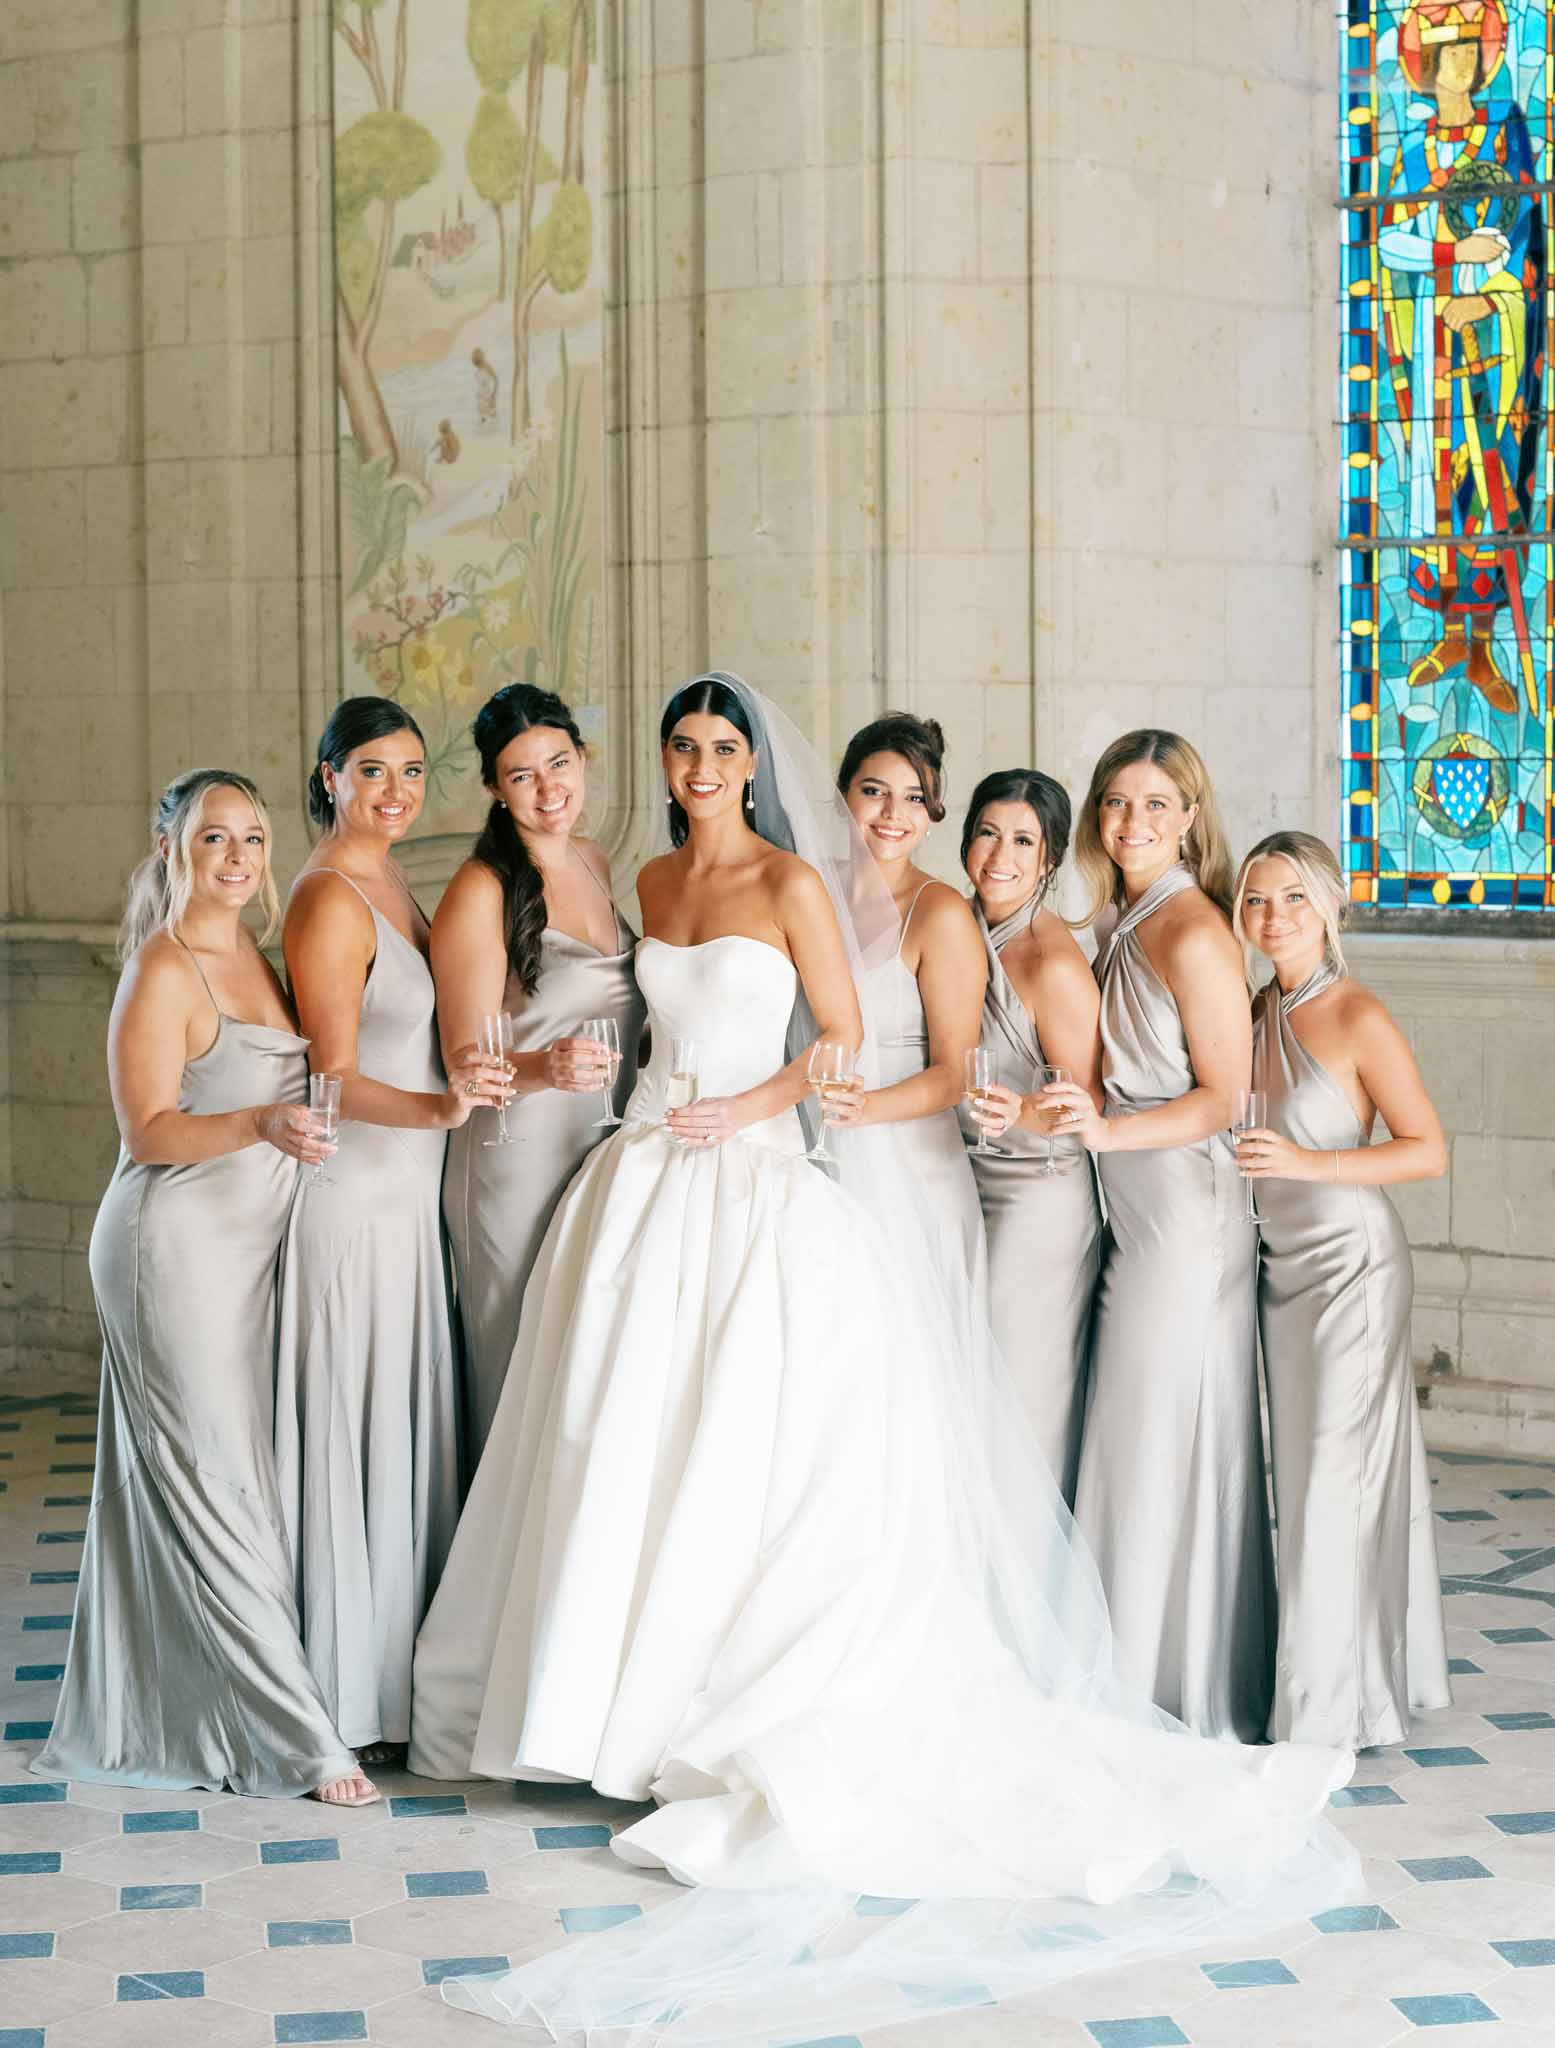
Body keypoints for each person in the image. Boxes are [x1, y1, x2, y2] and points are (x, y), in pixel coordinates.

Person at [412, 675, 1354, 2046]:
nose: (701, 766)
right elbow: (628, 1030)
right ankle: (590, 1704)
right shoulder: (646, 881)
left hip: (750, 1165)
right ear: (661, 764)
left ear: (752, 765)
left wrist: (741, 1106)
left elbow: (837, 1044)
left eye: (723, 748)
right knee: (618, 1436)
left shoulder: (795, 880)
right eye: (681, 747)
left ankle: (707, 1709)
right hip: (642, 1178)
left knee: (746, 1444)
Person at [36, 772, 372, 1806]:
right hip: (169, 1248)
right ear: (172, 847)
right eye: (213, 836)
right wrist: (261, 1124)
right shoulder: (163, 967)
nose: (237, 855)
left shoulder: (259, 960)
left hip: (246, 1252)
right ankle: (304, 1741)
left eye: (253, 837)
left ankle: (178, 1704)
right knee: (213, 1480)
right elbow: (147, 1132)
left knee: (228, 1478)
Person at [275, 697, 506, 1766]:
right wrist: (443, 1111)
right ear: (327, 774)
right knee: (355, 1429)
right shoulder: (329, 895)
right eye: (373, 769)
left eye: (412, 770)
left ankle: (393, 1685)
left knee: (398, 1426)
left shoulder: (393, 878)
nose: (397, 790)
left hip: (409, 1202)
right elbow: (330, 1079)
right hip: (354, 1202)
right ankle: (336, 1695)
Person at [1043, 731, 1272, 1741]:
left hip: (1185, 1213)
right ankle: (1115, 1653)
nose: (1129, 823)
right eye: (1114, 803)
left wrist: (1110, 1128)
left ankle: (1161, 1676)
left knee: (1157, 1431)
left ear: (1189, 817)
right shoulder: (1112, 919)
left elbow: (1225, 1095)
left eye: (1153, 805)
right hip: (1128, 1204)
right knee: (1130, 1429)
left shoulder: (1192, 932)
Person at [1235, 831, 1452, 1748]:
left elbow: (1427, 1150)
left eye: (1290, 899)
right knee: (1316, 1481)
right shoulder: (1253, 1008)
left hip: (1352, 1269)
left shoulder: (1358, 1013)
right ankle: (1351, 1676)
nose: (1271, 918)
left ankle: (1326, 1714)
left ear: (1328, 908)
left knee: (1330, 1483)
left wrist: (1305, 1161)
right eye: (1254, 900)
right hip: (1280, 1273)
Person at [433, 684, 645, 1459]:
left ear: (583, 761)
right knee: (515, 1355)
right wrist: (543, 1066)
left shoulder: (593, 862)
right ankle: (492, 1565)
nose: (548, 788)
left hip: (599, 1144)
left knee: (579, 1363)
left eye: (559, 763)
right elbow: (464, 1058)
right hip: (512, 1157)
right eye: (522, 775)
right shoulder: (480, 890)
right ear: (493, 787)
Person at [958, 769, 1104, 1505]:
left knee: (1018, 1394)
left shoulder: (1052, 964)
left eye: (1022, 840)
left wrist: (1014, 1110)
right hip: (962, 1182)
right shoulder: (955, 923)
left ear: (1047, 859)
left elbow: (1081, 1107)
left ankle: (1032, 1578)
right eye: (987, 833)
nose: (999, 856)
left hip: (1035, 1197)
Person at [824, 713, 987, 1278]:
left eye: (915, 798)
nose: (894, 815)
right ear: (843, 796)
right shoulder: (806, 887)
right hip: (817, 1161)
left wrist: (864, 1110)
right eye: (875, 792)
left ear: (932, 814)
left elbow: (955, 1073)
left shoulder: (939, 913)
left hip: (910, 1169)